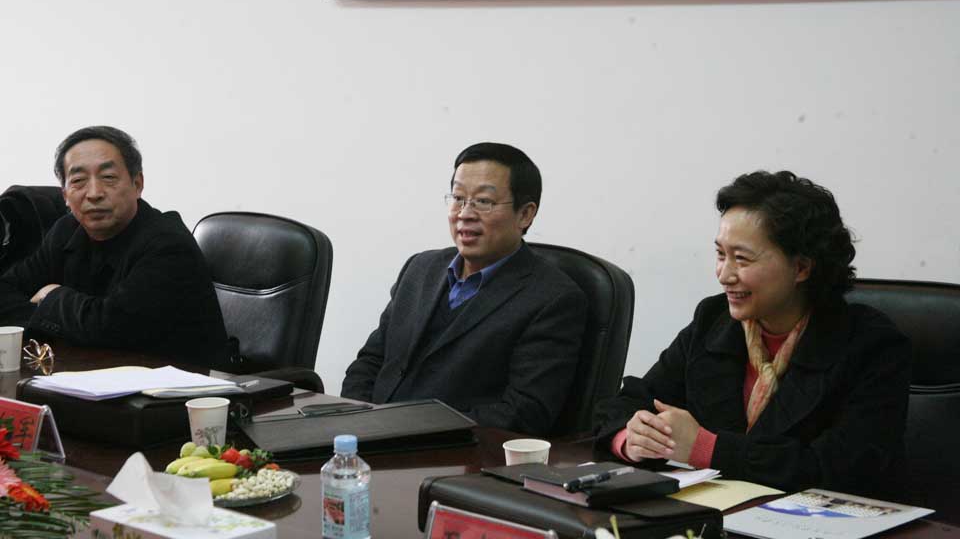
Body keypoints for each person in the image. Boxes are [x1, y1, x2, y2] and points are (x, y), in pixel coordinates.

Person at [594, 171, 910, 496]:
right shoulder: (713, 320)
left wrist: (708, 448)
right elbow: (628, 402)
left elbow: (841, 468)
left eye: (741, 259)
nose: (724, 274)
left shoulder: (870, 345)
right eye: (721, 255)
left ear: (801, 268)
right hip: (720, 511)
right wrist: (632, 439)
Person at [341, 143, 587, 435]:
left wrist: (407, 429)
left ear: (525, 214)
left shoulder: (553, 299)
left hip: (454, 452)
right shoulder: (420, 268)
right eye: (458, 198)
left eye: (483, 201)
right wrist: (358, 421)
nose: (465, 213)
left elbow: (523, 413)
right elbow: (370, 362)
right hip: (369, 438)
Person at [0, 126, 227, 365]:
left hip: (181, 382)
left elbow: (112, 328)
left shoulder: (169, 245)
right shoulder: (66, 231)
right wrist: (53, 318)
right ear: (65, 195)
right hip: (88, 375)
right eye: (78, 181)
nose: (94, 193)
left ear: (137, 184)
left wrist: (51, 297)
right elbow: (4, 292)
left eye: (108, 177)